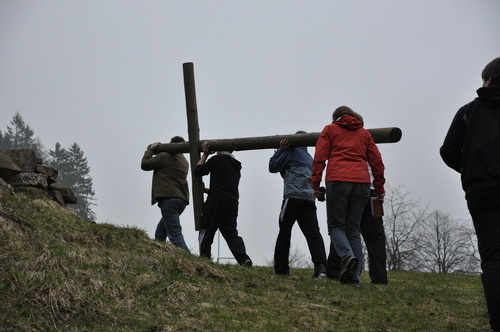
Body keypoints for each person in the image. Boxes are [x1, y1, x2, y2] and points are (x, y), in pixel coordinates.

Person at [440, 57, 500, 331]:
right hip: (482, 186)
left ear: (488, 79)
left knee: (494, 258)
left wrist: (470, 169)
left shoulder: (469, 111)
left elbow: (448, 150)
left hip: (482, 190)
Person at [312, 106, 385, 286]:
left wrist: (315, 184)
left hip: (337, 179)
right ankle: (354, 278)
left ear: (335, 118)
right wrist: (379, 187)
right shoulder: (364, 133)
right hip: (361, 183)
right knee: (353, 229)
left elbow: (320, 157)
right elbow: (377, 161)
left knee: (336, 227)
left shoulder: (330, 130)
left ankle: (347, 258)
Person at [269, 133, 328, 278]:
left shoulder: (290, 153)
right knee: (313, 234)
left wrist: (282, 150)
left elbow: (272, 167)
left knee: (284, 232)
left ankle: (281, 269)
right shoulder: (310, 159)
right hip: (309, 200)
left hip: (293, 198)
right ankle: (321, 268)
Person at [194, 142, 252, 266]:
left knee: (206, 231)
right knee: (231, 234)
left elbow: (198, 171)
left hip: (216, 201)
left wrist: (205, 154)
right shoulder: (236, 166)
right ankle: (244, 259)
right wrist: (207, 190)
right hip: (232, 202)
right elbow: (225, 186)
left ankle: (204, 260)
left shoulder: (217, 159)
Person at [141, 136, 190, 251]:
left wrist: (150, 150)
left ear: (171, 144)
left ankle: (187, 256)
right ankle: (158, 253)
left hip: (169, 199)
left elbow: (145, 164)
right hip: (181, 200)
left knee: (174, 234)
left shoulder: (165, 156)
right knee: (160, 234)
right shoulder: (184, 161)